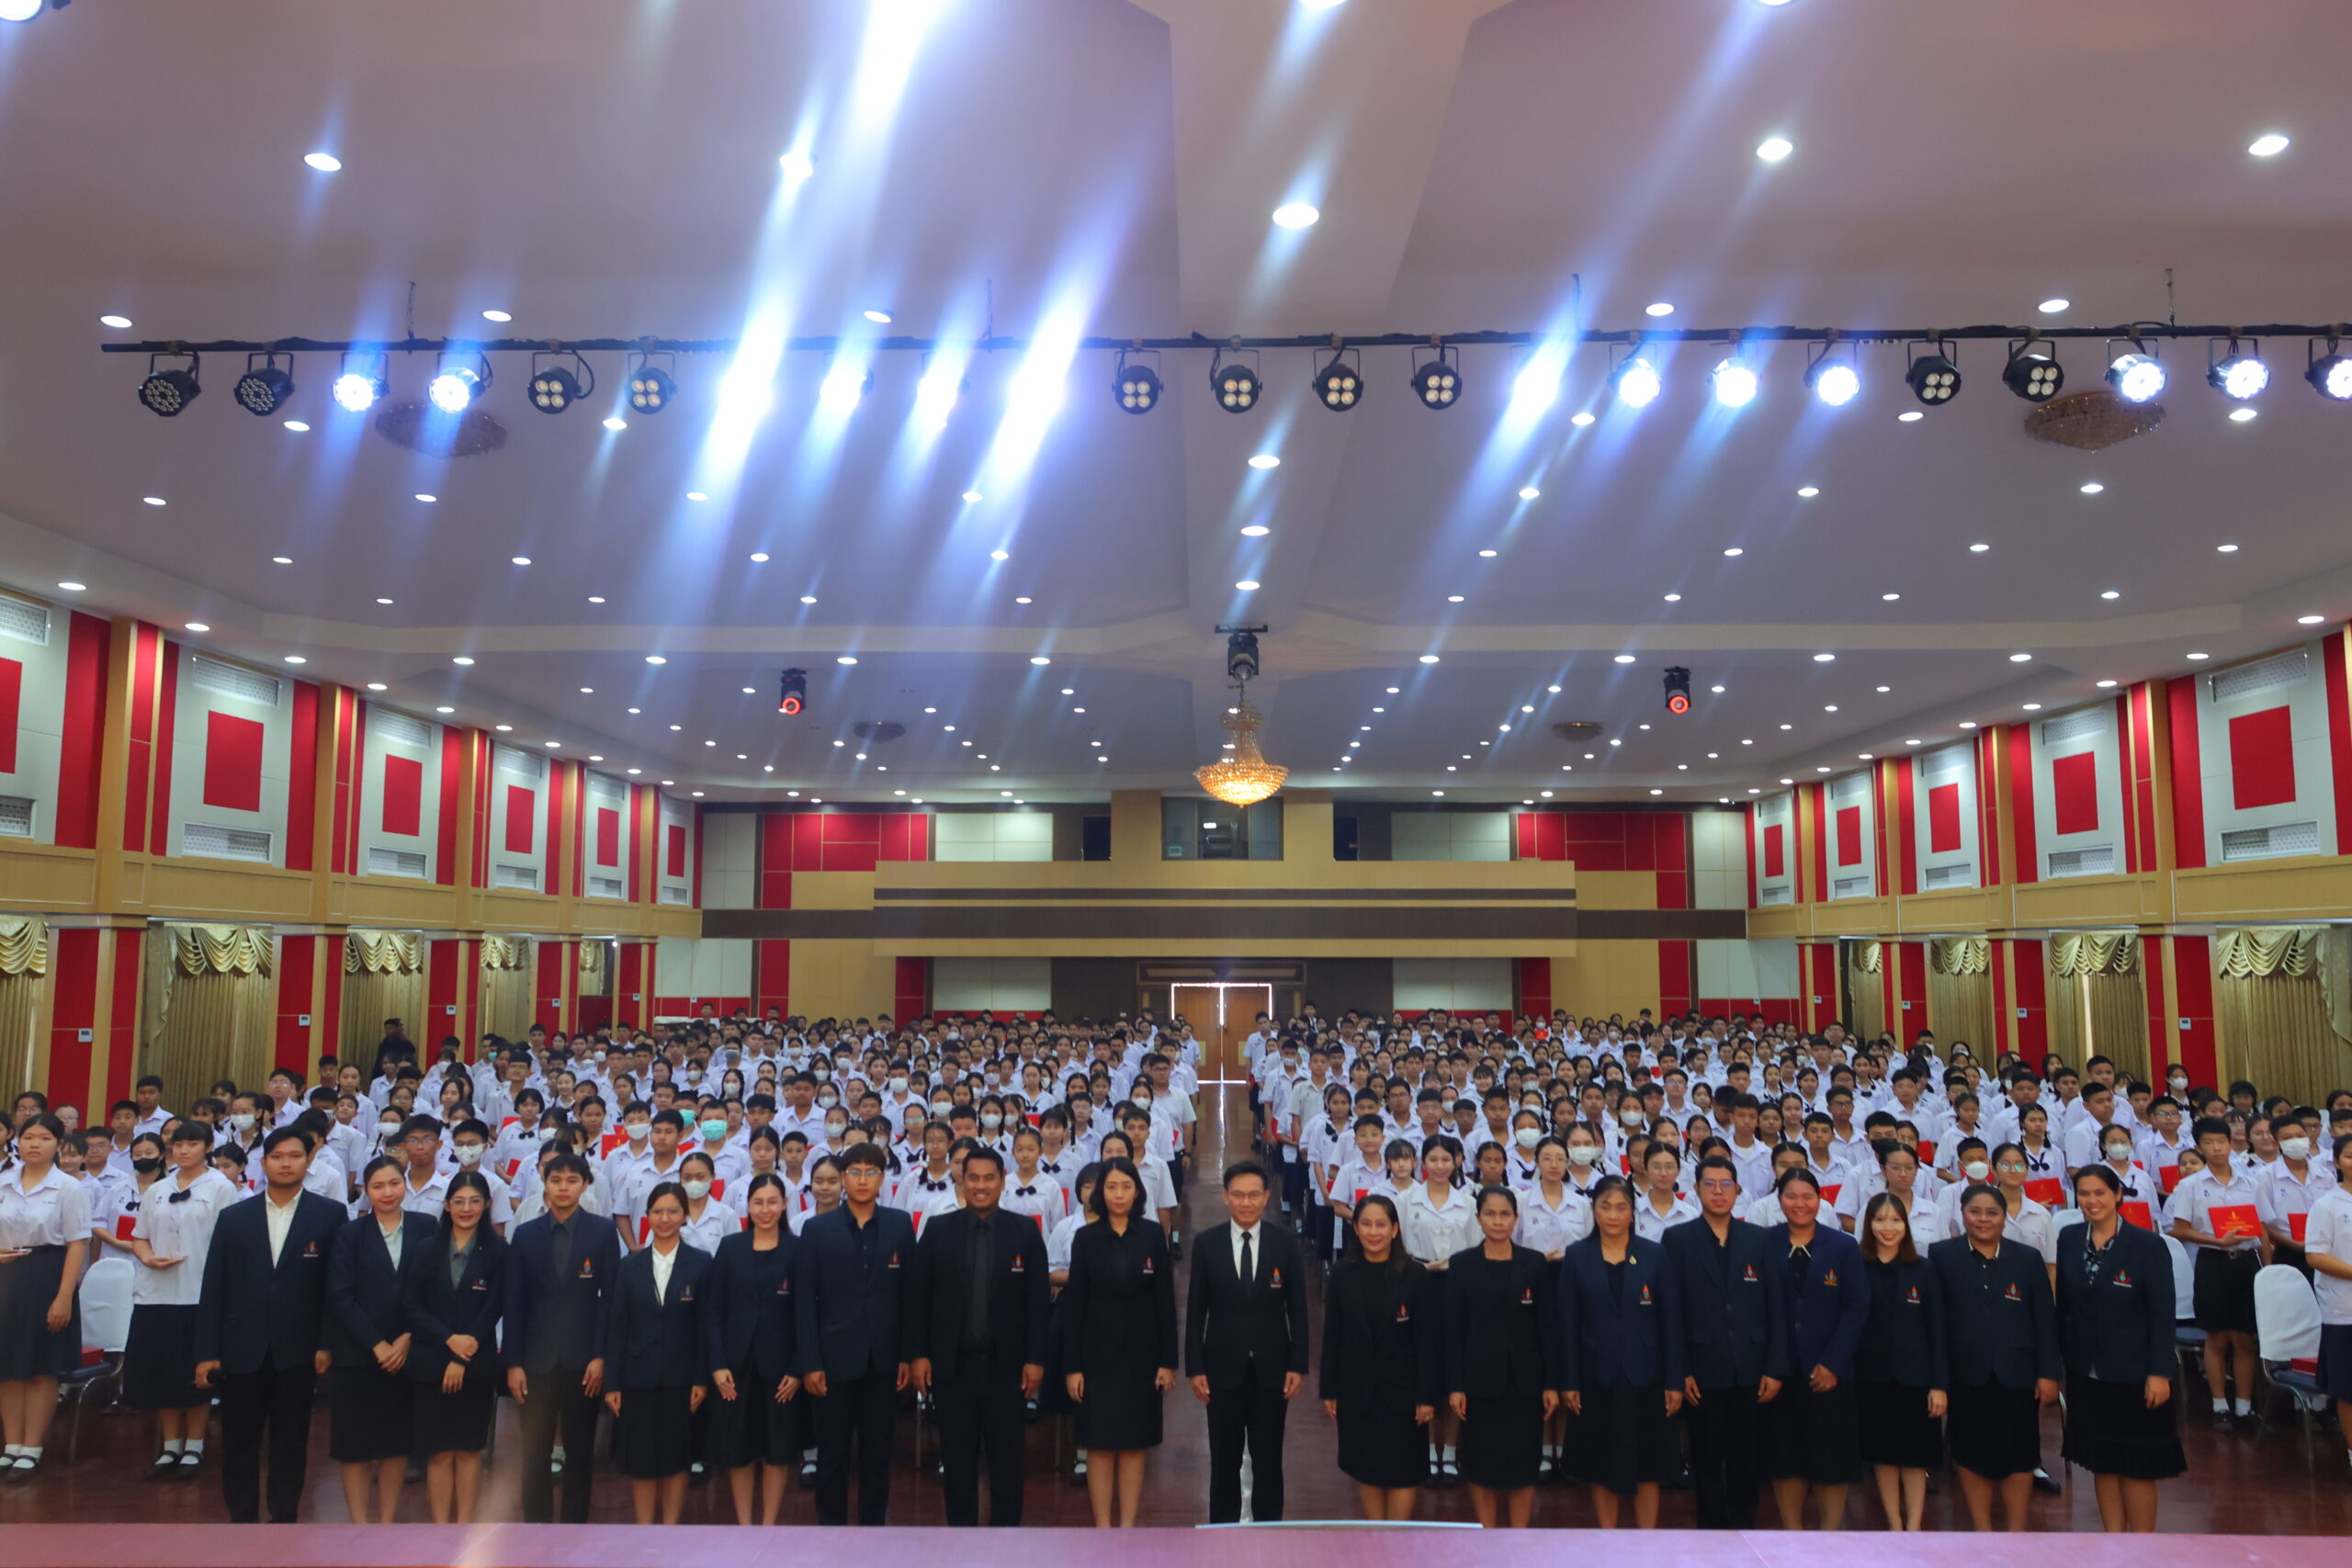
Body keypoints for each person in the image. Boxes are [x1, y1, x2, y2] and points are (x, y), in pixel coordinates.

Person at [193, 1125, 346, 1522]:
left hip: (300, 1348)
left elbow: (336, 1287)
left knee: (290, 1441)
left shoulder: (330, 1215)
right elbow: (214, 1286)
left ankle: (284, 1521)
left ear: (309, 1161)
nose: (286, 1163)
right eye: (277, 1157)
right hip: (241, 1346)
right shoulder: (234, 1217)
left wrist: (326, 1342)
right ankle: (242, 1521)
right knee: (238, 1442)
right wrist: (207, 1351)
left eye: (295, 1156)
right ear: (263, 1164)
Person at [908, 1145, 1050, 1527]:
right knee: (957, 1465)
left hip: (1008, 1370)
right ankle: (962, 1543)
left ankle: (1005, 1542)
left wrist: (1036, 1358)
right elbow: (919, 1297)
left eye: (989, 1178)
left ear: (1003, 1182)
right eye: (973, 1178)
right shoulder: (938, 1230)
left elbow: (1038, 1302)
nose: (981, 1186)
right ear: (961, 1180)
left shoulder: (1025, 1232)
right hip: (952, 1369)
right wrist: (919, 1354)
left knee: (1008, 1465)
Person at [2056, 1162, 2185, 1530]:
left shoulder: (2148, 1245)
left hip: (2136, 1374)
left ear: (2117, 1195)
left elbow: (2162, 1314)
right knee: (2102, 1461)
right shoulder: (2069, 1238)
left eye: (2100, 1192)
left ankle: (2140, 1548)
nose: (2091, 1201)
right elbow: (2064, 1305)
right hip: (2086, 1372)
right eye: (2084, 1193)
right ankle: (2113, 1541)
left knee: (2137, 1465)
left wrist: (2159, 1372)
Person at [794, 1139, 916, 1526]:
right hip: (832, 1360)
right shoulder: (817, 1229)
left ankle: (872, 1532)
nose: (863, 1180)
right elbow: (804, 1300)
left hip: (884, 1360)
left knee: (878, 1455)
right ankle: (830, 1533)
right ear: (844, 1179)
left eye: (871, 1172)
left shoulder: (899, 1224)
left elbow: (909, 1295)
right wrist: (810, 1362)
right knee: (832, 1455)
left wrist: (906, 1355)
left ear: (882, 1179)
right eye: (855, 1172)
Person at [1663, 1152, 1787, 1529]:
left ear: (1738, 1191)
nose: (1718, 1191)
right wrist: (1680, 1371)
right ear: (1696, 1190)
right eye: (1710, 1184)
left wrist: (1775, 1368)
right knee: (1706, 1457)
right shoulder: (1677, 1239)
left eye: (1726, 1184)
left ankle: (1745, 1529)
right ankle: (1712, 1534)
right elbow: (1671, 1312)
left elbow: (1775, 1306)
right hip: (1701, 1370)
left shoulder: (1758, 1239)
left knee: (1746, 1457)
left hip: (1751, 1368)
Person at [1186, 1159, 1310, 1524]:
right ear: (1225, 1197)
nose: (1245, 1202)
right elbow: (1196, 1310)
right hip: (1221, 1370)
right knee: (1223, 1461)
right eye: (1238, 1195)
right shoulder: (1206, 1244)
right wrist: (1195, 1367)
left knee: (1268, 1460)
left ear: (1266, 1197)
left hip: (1273, 1371)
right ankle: (1222, 1534)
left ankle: (1269, 1532)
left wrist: (1298, 1364)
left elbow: (1298, 1309)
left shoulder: (1285, 1243)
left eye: (1254, 1195)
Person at [1930, 1182, 2061, 1530]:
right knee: (1970, 1454)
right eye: (1975, 1212)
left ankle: (2016, 1530)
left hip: (2018, 1374)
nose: (1983, 1219)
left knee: (2020, 1454)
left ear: (2004, 1217)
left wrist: (2049, 1373)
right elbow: (1936, 1324)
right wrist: (1939, 1381)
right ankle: (1983, 1529)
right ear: (1962, 1215)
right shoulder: (1941, 1256)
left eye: (1992, 1213)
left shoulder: (2027, 1258)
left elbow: (2044, 1320)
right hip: (1965, 1375)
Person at [1557, 1175, 1682, 1529]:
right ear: (1594, 1210)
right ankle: (1608, 1539)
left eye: (1621, 1207)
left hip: (1647, 1376)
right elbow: (1567, 1324)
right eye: (1605, 1207)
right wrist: (1569, 1381)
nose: (1613, 1215)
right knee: (1601, 1463)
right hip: (1595, 1376)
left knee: (1648, 1465)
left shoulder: (1655, 1254)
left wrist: (1674, 1380)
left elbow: (1671, 1321)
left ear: (1632, 1212)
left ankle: (1647, 1539)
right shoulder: (1577, 1255)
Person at [1061, 1156, 1178, 1527]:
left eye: (1126, 1186)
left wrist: (1168, 1361)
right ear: (1100, 1192)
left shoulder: (1153, 1235)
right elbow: (1075, 1305)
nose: (1118, 1194)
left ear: (1137, 1192)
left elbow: (1165, 1301)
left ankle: (1127, 1527)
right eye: (1111, 1187)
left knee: (1133, 1445)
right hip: (1096, 1358)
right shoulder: (1085, 1238)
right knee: (1098, 1445)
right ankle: (1103, 1527)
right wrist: (1073, 1366)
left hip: (1142, 1358)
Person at [503, 1150, 618, 1523]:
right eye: (556, 1180)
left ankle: (574, 1528)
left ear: (585, 1185)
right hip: (534, 1362)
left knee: (580, 1452)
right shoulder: (525, 1234)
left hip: (583, 1361)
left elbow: (610, 1300)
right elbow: (514, 1302)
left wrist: (600, 1356)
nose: (563, 1187)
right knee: (534, 1453)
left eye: (572, 1180)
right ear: (544, 1183)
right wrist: (513, 1362)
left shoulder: (603, 1232)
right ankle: (535, 1527)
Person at [123, 1119, 238, 1476]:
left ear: (208, 1147)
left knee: (196, 1374)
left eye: (193, 1144)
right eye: (178, 1144)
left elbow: (229, 1243)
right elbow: (139, 1237)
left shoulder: (220, 1187)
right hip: (156, 1294)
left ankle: (195, 1445)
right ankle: (170, 1446)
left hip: (198, 1293)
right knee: (162, 1374)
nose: (184, 1150)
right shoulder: (158, 1188)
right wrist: (147, 1258)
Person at [1442, 1184, 1560, 1529]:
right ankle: (1488, 1537)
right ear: (1478, 1218)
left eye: (1505, 1214)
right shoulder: (1462, 1265)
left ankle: (1519, 1539)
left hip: (1525, 1383)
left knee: (1523, 1466)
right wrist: (1455, 1385)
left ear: (1516, 1218)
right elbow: (1453, 1330)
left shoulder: (1534, 1263)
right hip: (1479, 1382)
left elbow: (1548, 1329)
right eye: (1490, 1214)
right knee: (1481, 1466)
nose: (1498, 1221)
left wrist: (1551, 1383)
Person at [327, 1155, 435, 1522]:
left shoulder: (427, 1227)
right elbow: (341, 1296)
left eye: (394, 1183)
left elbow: (433, 1289)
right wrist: (377, 1344)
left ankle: (386, 1523)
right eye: (377, 1186)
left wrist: (407, 1338)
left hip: (408, 1353)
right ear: (366, 1191)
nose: (387, 1192)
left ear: (405, 1184)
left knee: (395, 1443)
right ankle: (359, 1524)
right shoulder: (349, 1234)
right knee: (354, 1445)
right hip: (357, 1354)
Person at [1763, 1168, 1869, 1530]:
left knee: (1831, 1459)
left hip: (1830, 1373)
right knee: (1785, 1458)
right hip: (1780, 1371)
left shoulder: (1843, 1246)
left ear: (1820, 1199)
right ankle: (1792, 1534)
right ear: (1779, 1200)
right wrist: (1771, 1365)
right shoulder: (1764, 1243)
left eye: (1807, 1196)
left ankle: (1829, 1534)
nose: (1800, 1204)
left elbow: (1858, 1307)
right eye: (1791, 1196)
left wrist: (1833, 1363)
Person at [1319, 1193, 1437, 1519]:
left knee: (1404, 1470)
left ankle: (1395, 1538)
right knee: (1366, 1466)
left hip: (1404, 1391)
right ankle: (1376, 1534)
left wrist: (1426, 1396)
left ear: (1395, 1229)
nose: (1374, 1232)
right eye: (1366, 1224)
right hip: (1356, 1389)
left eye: (1381, 1224)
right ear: (1355, 1229)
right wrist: (1329, 1389)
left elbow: (1426, 1340)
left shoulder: (1415, 1274)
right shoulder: (1341, 1273)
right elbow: (1333, 1335)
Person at [605, 1180, 712, 1524]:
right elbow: (617, 1327)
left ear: (685, 1216)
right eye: (657, 1211)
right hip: (637, 1379)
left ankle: (670, 1533)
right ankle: (645, 1532)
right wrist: (612, 1383)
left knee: (676, 1460)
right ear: (647, 1216)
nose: (665, 1219)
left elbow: (706, 1327)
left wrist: (701, 1379)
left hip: (682, 1380)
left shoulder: (701, 1263)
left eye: (673, 1211)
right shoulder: (629, 1265)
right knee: (642, 1463)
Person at [402, 1170, 507, 1523]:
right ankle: (440, 1530)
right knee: (438, 1452)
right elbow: (412, 1305)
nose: (466, 1209)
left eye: (474, 1201)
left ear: (487, 1205)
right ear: (446, 1205)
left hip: (476, 1365)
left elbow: (494, 1307)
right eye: (458, 1201)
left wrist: (463, 1356)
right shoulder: (425, 1249)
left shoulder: (499, 1251)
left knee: (468, 1450)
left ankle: (464, 1526)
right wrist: (450, 1342)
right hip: (431, 1362)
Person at [707, 1173, 802, 1525]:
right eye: (758, 1202)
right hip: (736, 1367)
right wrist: (717, 1364)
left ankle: (768, 1526)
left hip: (782, 1369)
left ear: (784, 1204)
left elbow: (806, 1314)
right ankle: (745, 1525)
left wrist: (798, 1368)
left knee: (778, 1450)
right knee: (739, 1449)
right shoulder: (730, 1247)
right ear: (747, 1206)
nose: (765, 1209)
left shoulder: (798, 1249)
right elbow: (713, 1311)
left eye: (773, 1202)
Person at [2169, 1114, 2274, 1428]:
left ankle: (2244, 1408)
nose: (2216, 1148)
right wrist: (2217, 1240)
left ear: (2231, 1144)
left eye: (2221, 1142)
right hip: (2212, 1262)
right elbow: (2179, 1229)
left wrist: (2268, 1269)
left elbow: (2263, 1229)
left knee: (2244, 1338)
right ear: (2199, 1148)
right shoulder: (2190, 1186)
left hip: (2246, 1263)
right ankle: (2219, 1406)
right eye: (2209, 1143)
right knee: (2216, 1337)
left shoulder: (2251, 1183)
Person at [0, 1112, 90, 1479]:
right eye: (28, 1137)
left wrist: (64, 1296)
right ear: (17, 1141)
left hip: (48, 1275)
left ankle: (32, 1447)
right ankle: (11, 1445)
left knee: (40, 1367)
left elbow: (77, 1244)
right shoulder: (3, 1182)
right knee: (8, 1368)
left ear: (58, 1145)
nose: (34, 1144)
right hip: (6, 1278)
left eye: (43, 1138)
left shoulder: (68, 1188)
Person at [1853, 1192, 1946, 1530]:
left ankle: (1915, 1525)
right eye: (1879, 1220)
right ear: (1868, 1225)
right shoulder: (1857, 1267)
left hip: (1916, 1380)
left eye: (1895, 1220)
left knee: (1915, 1456)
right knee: (1883, 1456)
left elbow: (1937, 1330)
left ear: (1906, 1225)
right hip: (1872, 1378)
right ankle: (1894, 1523)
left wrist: (1939, 1385)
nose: (1887, 1227)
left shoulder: (1923, 1269)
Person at [2307, 1134, 2352, 1477]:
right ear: (2337, 1162)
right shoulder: (2327, 1205)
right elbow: (2316, 1255)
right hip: (2344, 1310)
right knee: (2349, 1390)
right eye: (2350, 1156)